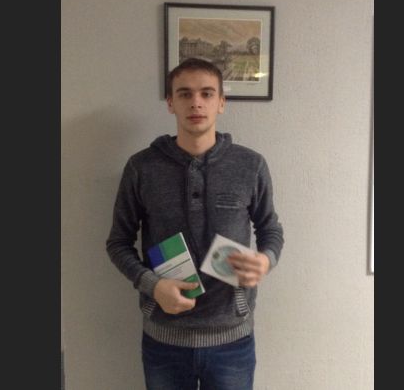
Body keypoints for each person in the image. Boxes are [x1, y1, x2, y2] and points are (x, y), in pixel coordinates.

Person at [106, 58, 284, 390]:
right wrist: (152, 285)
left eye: (207, 93)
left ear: (221, 102)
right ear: (170, 103)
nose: (196, 103)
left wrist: (265, 260)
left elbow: (270, 228)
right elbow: (118, 243)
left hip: (232, 340)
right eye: (185, 94)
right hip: (164, 340)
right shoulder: (141, 168)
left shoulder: (250, 165)